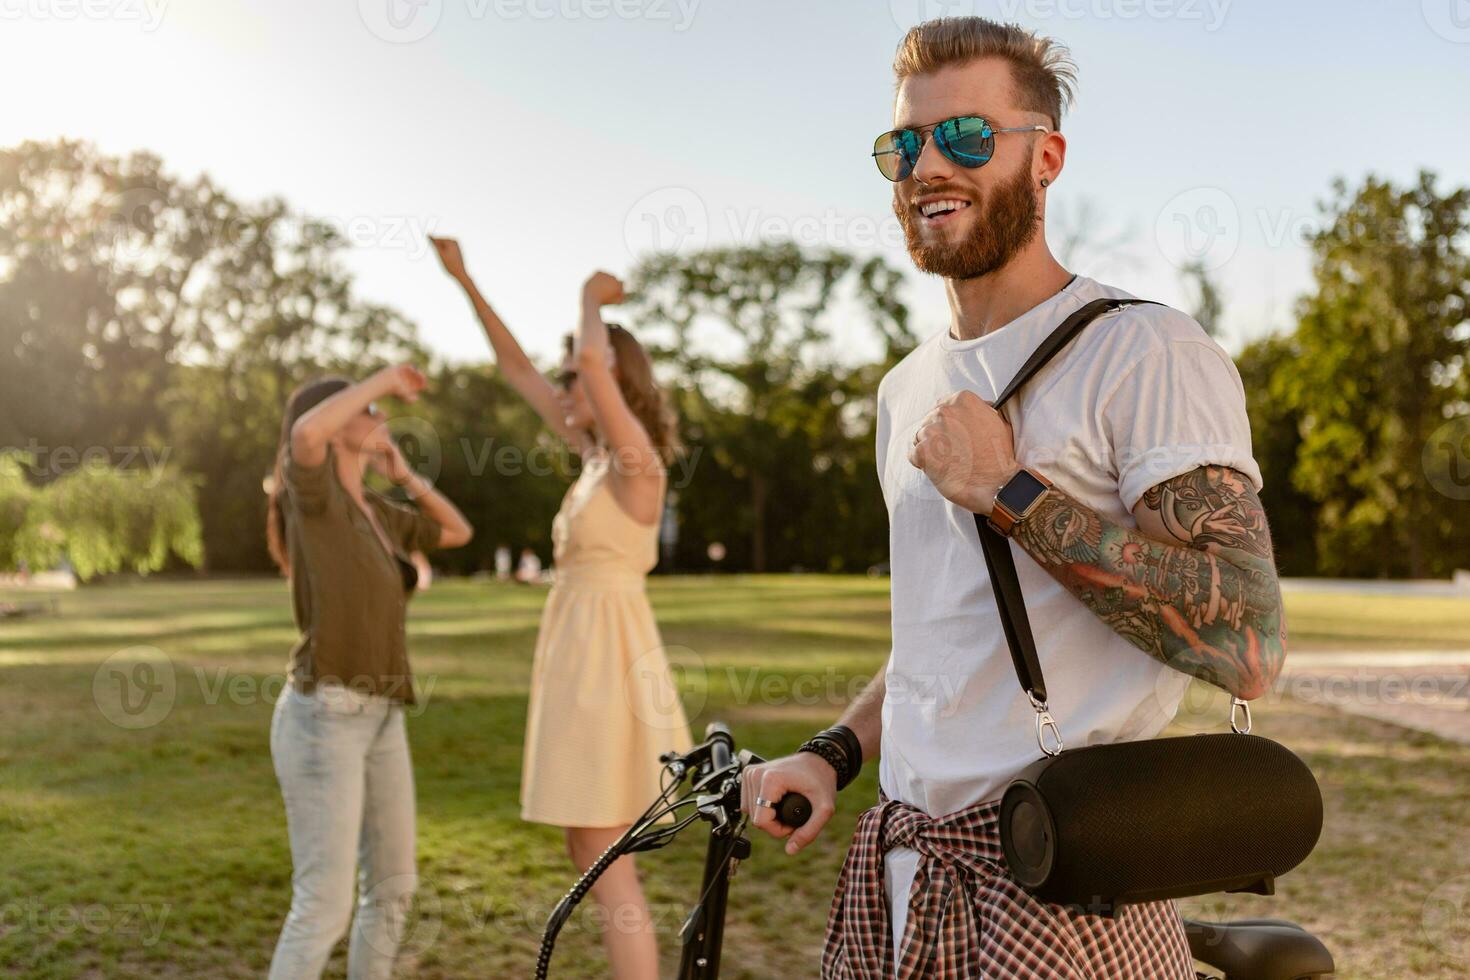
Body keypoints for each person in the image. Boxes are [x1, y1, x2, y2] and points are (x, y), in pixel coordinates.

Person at [741, 17, 1287, 979]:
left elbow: (1247, 642)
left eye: (966, 137)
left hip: (1067, 881)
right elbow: (945, 636)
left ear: (1047, 157)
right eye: (904, 145)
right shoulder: (904, 389)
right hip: (905, 870)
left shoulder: (1143, 349)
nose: (927, 167)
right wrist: (831, 754)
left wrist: (1010, 491)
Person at [431, 237, 693, 980]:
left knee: (605, 856)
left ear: (612, 379)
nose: (566, 388)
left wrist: (586, 294)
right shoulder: (593, 462)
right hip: (579, 657)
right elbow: (517, 370)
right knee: (588, 846)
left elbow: (590, 366)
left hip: (609, 664)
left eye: (578, 378)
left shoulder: (636, 464)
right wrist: (466, 279)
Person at [264, 365, 474, 979]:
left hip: (383, 717)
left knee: (392, 889)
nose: (383, 418)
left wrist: (403, 475)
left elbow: (459, 531)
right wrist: (383, 378)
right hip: (324, 716)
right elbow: (304, 433)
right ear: (337, 426)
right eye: (370, 410)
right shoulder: (314, 494)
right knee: (323, 907)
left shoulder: (380, 511)